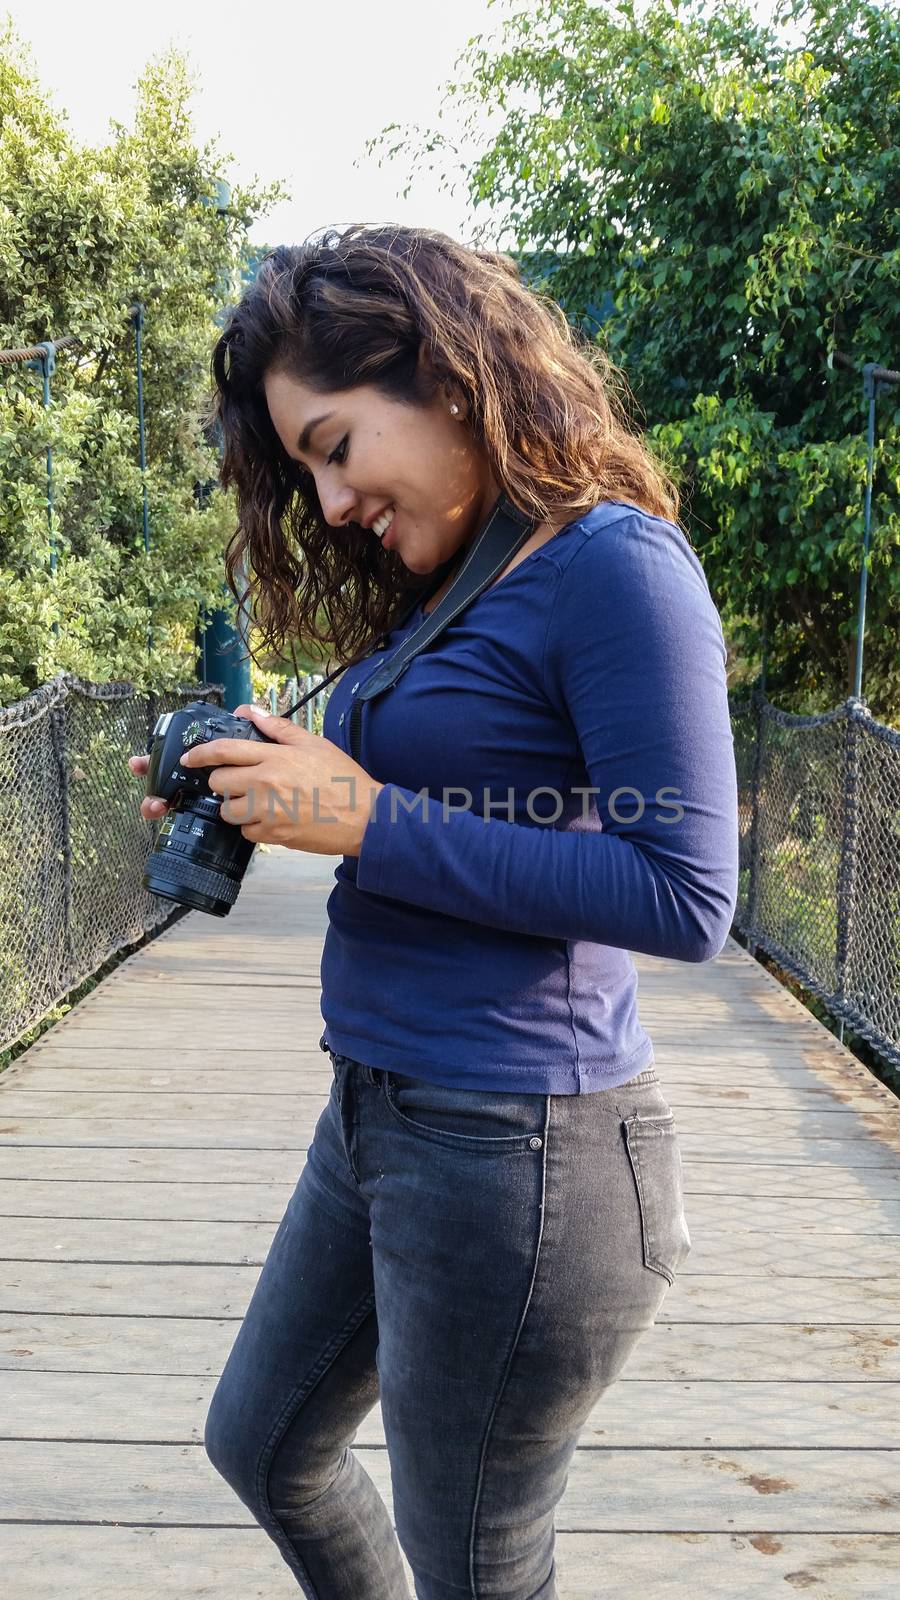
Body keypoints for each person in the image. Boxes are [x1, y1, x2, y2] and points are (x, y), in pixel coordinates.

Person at [129, 224, 738, 1599]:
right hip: (379, 1111)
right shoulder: (452, 592)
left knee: (475, 1561)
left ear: (448, 378)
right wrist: (263, 780)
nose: (331, 502)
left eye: (337, 447)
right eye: (307, 471)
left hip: (522, 1150)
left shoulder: (615, 569)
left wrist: (366, 820)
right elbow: (422, 814)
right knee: (265, 1443)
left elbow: (685, 890)